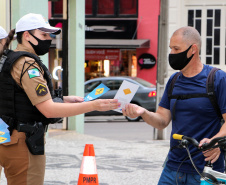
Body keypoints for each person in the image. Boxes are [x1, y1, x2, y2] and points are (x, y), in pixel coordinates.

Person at [0, 13, 120, 185]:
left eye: (49, 35)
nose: (48, 39)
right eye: (43, 34)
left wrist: (63, 99)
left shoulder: (10, 60)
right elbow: (48, 109)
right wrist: (93, 105)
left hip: (7, 138)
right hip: (22, 144)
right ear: (26, 35)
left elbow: (19, 96)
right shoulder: (27, 64)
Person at [122, 26, 226, 185]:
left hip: (206, 171)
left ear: (193, 49)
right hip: (173, 168)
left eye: (176, 49)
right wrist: (143, 112)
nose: (172, 54)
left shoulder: (217, 79)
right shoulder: (174, 81)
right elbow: (162, 121)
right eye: (171, 48)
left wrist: (215, 141)